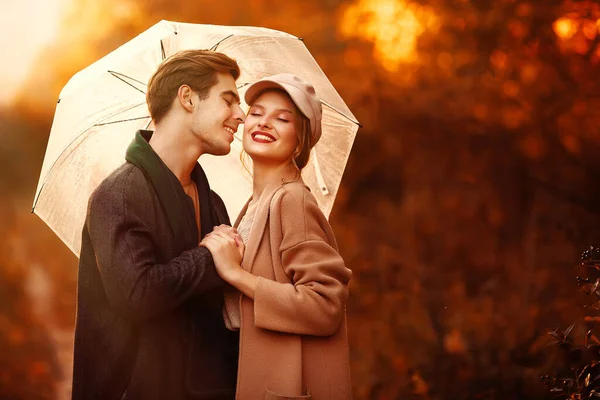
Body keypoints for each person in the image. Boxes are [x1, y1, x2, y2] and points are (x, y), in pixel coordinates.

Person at [72, 50, 246, 400]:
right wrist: (208, 258)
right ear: (187, 98)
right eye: (229, 101)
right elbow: (135, 295)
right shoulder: (120, 194)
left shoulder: (213, 204)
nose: (241, 116)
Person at [201, 73, 353, 399]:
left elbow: (324, 305)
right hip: (240, 371)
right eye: (256, 113)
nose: (265, 123)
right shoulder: (255, 203)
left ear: (300, 140)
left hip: (282, 385)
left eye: (282, 118)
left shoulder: (293, 200)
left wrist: (235, 273)